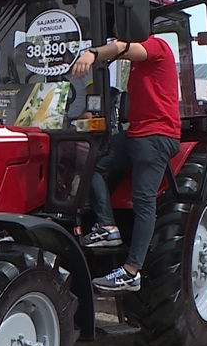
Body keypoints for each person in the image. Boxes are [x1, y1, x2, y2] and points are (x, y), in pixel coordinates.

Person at [70, 31, 181, 292]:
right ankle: (107, 227)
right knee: (91, 164)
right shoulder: (139, 65)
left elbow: (122, 47)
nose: (120, 35)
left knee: (143, 199)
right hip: (136, 133)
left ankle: (132, 271)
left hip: (156, 135)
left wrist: (92, 53)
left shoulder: (158, 47)